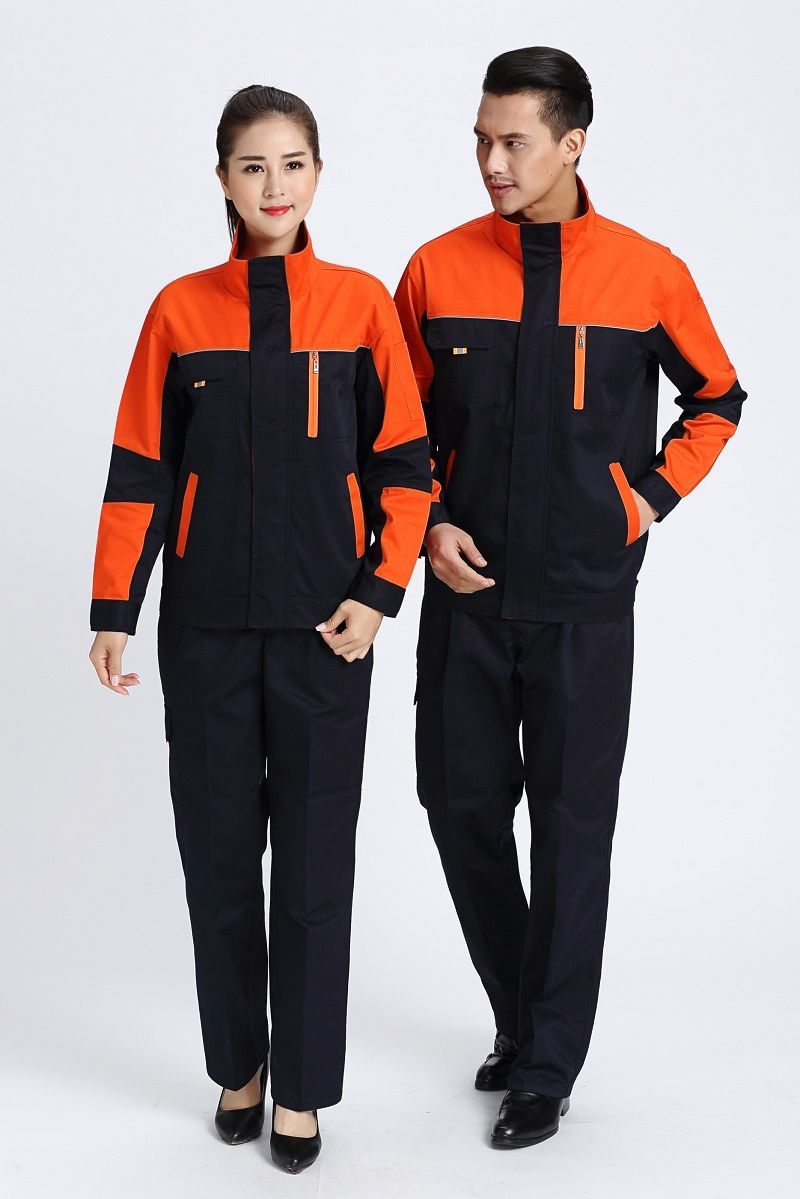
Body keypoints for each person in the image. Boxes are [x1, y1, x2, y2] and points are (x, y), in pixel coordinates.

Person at [393, 46, 746, 1150]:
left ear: (572, 143)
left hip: (587, 601)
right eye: (481, 141)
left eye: (514, 141)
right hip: (466, 595)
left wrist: (643, 500)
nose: (492, 162)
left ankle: (543, 1065)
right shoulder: (435, 269)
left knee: (570, 834)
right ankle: (522, 1010)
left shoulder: (646, 273)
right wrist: (428, 517)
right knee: (457, 806)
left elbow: (717, 398)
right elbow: (395, 426)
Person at [87, 84, 431, 1175]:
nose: (273, 186)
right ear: (224, 180)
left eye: (291, 164)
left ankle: (303, 1088)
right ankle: (238, 1064)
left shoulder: (362, 305)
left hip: (329, 632)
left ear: (317, 174)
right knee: (221, 859)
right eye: (252, 166)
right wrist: (114, 608)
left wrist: (379, 591)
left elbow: (406, 466)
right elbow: (140, 467)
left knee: (316, 869)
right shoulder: (179, 311)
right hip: (207, 633)